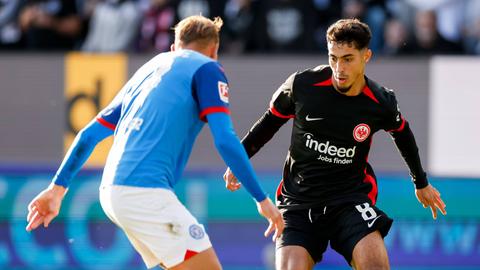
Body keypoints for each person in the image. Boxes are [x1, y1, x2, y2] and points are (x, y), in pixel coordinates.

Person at [26, 15, 284, 270]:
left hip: (112, 191)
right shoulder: (208, 68)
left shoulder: (150, 68)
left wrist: (56, 190)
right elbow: (225, 140)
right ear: (214, 50)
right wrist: (261, 200)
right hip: (144, 192)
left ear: (174, 47)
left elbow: (88, 135)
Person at [224, 18, 446, 270]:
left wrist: (421, 182)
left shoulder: (381, 101)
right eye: (333, 57)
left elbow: (402, 132)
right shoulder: (302, 85)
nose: (339, 68)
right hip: (299, 201)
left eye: (348, 58)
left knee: (376, 265)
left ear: (366, 56)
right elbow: (268, 123)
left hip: (349, 199)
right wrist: (238, 160)